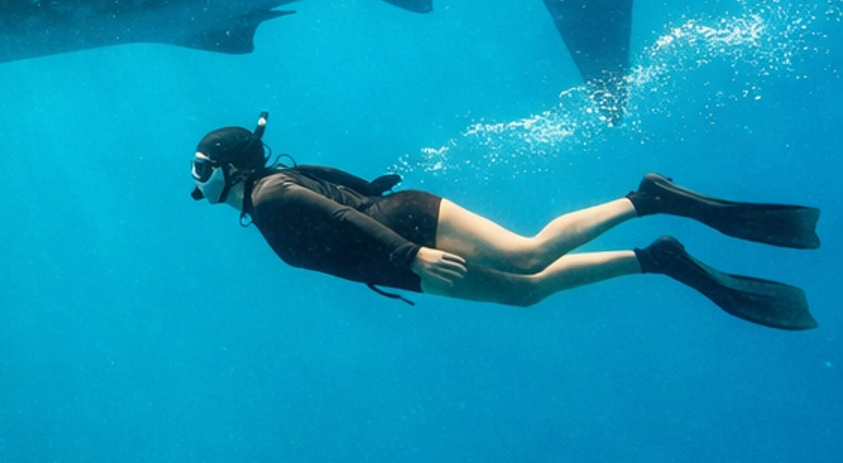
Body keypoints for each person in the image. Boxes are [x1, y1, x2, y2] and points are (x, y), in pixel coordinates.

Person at [190, 115, 819, 330]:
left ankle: (648, 198)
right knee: (526, 294)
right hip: (400, 256)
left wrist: (411, 256)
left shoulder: (270, 197)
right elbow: (338, 186)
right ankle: (658, 258)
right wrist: (376, 196)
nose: (197, 182)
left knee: (527, 255)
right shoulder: (273, 188)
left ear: (229, 167)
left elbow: (337, 215)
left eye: (200, 168)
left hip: (407, 238)